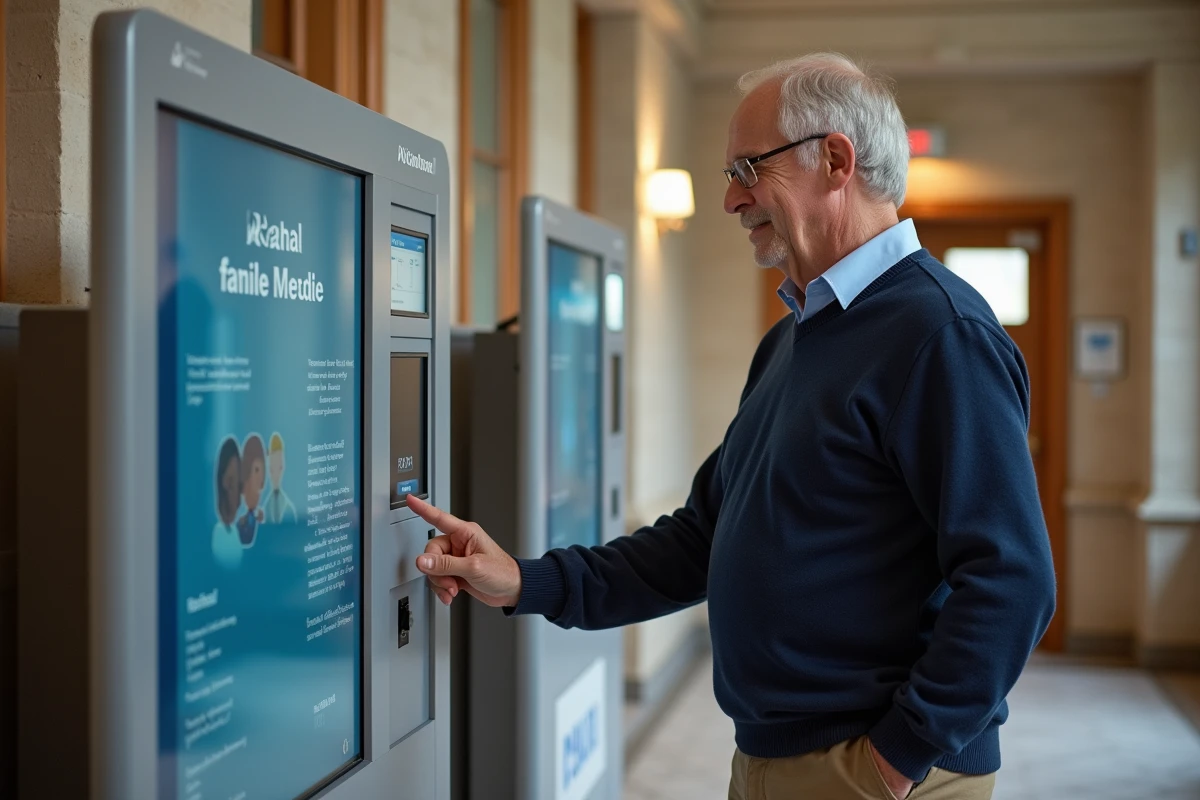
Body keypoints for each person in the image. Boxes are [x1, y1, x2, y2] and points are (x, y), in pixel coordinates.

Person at [410, 52, 1056, 800]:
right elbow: (699, 539)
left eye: (748, 168)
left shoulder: (940, 333)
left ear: (836, 160)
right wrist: (527, 580)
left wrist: (898, 757)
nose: (730, 200)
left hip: (874, 769)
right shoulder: (790, 341)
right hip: (778, 754)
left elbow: (1013, 577)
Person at [212, 437, 243, 569]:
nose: (235, 493)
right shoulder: (216, 532)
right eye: (231, 482)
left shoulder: (238, 531)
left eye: (238, 484)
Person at [237, 433, 266, 546]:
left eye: (260, 471)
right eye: (256, 470)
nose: (259, 479)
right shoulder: (240, 512)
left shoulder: (259, 513)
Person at [264, 432, 297, 524]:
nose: (275, 475)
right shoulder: (266, 508)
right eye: (271, 469)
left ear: (282, 467)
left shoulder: (289, 509)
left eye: (279, 468)